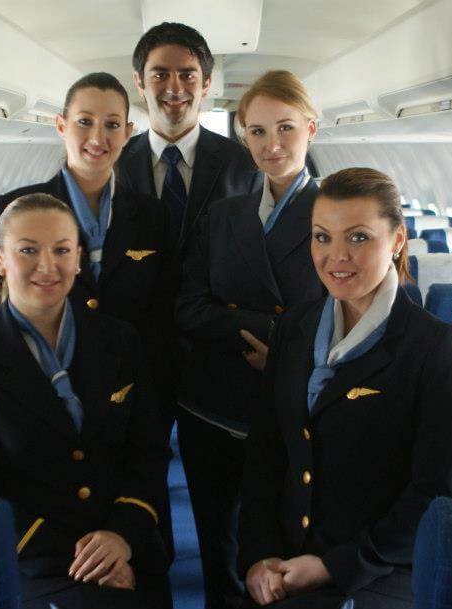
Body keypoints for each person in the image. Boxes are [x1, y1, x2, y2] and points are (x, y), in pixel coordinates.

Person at [238, 168, 452, 609]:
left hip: (377, 570)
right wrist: (259, 556)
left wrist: (335, 565)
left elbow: (433, 491)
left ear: (397, 240)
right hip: (284, 565)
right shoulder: (294, 328)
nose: (336, 256)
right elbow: (266, 453)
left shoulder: (431, 345)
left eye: (359, 237)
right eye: (322, 237)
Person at [0, 193, 172, 609]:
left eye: (62, 250)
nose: (47, 266)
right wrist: (79, 558)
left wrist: (121, 535)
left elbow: (148, 453)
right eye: (27, 250)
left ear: (79, 259)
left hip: (126, 541)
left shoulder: (119, 341)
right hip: (34, 560)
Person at [174, 70, 326, 609]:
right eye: (257, 132)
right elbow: (188, 308)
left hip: (298, 407)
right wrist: (277, 331)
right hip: (210, 408)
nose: (272, 145)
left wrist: (281, 352)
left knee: (285, 554)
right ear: (242, 136)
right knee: (218, 548)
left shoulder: (336, 216)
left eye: (285, 128)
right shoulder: (223, 215)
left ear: (310, 128)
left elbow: (350, 315)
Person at [119, 21, 260, 251]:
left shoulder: (244, 165)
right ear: (139, 83)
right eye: (160, 75)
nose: (174, 89)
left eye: (187, 75)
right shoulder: (113, 163)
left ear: (206, 84)